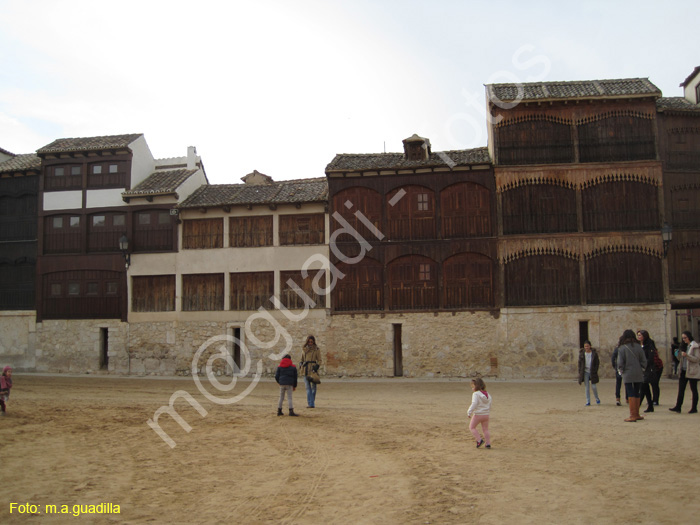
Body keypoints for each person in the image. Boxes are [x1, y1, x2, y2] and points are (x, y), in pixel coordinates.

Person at [616, 329, 647, 422]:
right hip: (638, 372)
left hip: (628, 372)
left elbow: (620, 362)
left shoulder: (622, 348)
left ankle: (632, 414)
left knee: (630, 392)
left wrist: (621, 371)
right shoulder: (638, 347)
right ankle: (637, 413)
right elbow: (644, 361)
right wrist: (641, 369)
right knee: (637, 392)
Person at [669, 331, 699, 414]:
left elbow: (696, 359)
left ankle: (694, 408)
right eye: (682, 338)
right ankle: (678, 406)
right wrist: (677, 354)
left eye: (685, 337)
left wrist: (687, 355)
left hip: (692, 370)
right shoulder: (684, 346)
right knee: (681, 389)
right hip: (683, 370)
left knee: (694, 389)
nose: (684, 339)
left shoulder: (695, 346)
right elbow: (681, 359)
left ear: (689, 337)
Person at [467, 377, 492, 449]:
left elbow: (474, 403)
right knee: (485, 429)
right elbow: (490, 404)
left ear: (476, 386)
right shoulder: (488, 394)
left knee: (472, 427)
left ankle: (479, 440)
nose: (472, 388)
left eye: (473, 386)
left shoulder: (476, 394)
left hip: (478, 414)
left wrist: (469, 412)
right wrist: (487, 410)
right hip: (486, 415)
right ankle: (488, 443)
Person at [637, 330, 657, 413]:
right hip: (641, 369)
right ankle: (650, 405)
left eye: (640, 335)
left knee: (643, 387)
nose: (638, 337)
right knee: (645, 388)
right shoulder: (639, 345)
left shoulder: (649, 345)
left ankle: (638, 405)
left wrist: (644, 364)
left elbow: (650, 358)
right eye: (638, 335)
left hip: (647, 369)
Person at [300, 335, 321, 409]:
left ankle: (311, 402)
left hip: (313, 369)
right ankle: (311, 403)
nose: (310, 343)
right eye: (309, 341)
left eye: (311, 342)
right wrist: (301, 364)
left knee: (314, 387)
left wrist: (316, 366)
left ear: (313, 342)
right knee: (307, 387)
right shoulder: (304, 349)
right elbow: (302, 359)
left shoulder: (317, 349)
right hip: (306, 368)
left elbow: (319, 360)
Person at [578, 341, 600, 405]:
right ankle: (588, 401)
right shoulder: (582, 354)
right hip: (585, 371)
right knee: (586, 387)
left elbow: (597, 362)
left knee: (594, 386)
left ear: (590, 346)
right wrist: (580, 371)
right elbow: (580, 363)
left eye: (587, 346)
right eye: (585, 346)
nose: (586, 347)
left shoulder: (594, 354)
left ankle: (597, 398)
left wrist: (595, 370)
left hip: (592, 371)